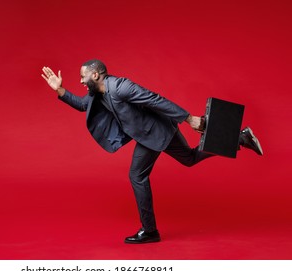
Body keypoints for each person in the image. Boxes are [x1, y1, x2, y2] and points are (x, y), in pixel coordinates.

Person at [41, 59, 263, 244]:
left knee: (136, 176)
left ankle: (149, 231)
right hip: (158, 130)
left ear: (96, 75)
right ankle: (240, 139)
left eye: (83, 76)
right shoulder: (96, 93)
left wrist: (188, 118)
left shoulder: (120, 87)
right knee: (189, 158)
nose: (80, 80)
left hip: (154, 133)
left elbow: (153, 99)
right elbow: (82, 105)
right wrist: (59, 89)